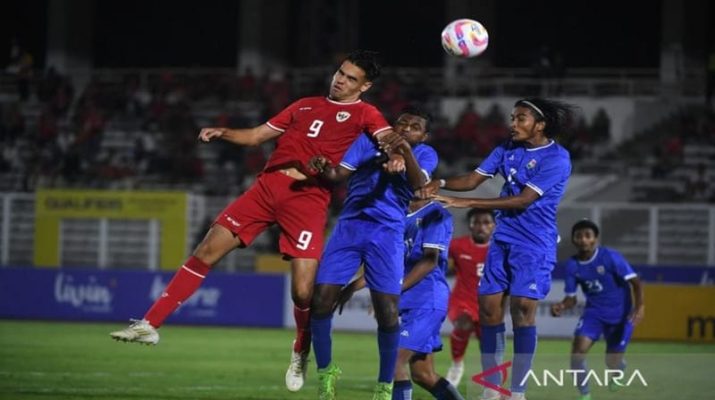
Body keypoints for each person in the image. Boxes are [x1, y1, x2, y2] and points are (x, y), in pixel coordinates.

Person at [109, 50, 402, 393]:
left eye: (351, 78)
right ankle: (150, 323)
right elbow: (256, 135)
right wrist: (224, 132)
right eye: (340, 72)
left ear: (364, 86)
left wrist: (396, 156)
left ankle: (300, 350)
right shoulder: (304, 104)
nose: (340, 79)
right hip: (267, 187)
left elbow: (388, 138)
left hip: (308, 198)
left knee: (303, 291)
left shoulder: (366, 112)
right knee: (206, 251)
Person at [421, 98, 575, 400]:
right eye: (512, 118)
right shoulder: (506, 148)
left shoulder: (557, 158)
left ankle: (517, 392)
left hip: (534, 244)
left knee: (521, 313)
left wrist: (464, 203)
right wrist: (438, 183)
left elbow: (523, 200)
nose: (512, 124)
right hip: (503, 240)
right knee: (489, 312)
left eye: (520, 119)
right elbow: (472, 179)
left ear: (540, 125)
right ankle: (492, 387)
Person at [308, 106, 437, 400]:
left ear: (424, 136)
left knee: (387, 312)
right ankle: (327, 372)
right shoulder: (368, 142)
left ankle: (384, 385)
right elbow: (337, 173)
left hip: (387, 234)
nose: (405, 128)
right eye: (401, 122)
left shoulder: (426, 155)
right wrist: (321, 166)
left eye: (414, 126)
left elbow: (420, 187)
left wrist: (403, 152)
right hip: (350, 227)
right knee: (321, 300)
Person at [336, 199, 464, 400]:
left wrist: (393, 292)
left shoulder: (435, 214)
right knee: (424, 375)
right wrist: (352, 287)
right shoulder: (396, 219)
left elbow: (430, 261)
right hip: (411, 304)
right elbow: (385, 268)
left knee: (393, 360)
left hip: (427, 301)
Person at [551, 220, 645, 400]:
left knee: (611, 361)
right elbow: (571, 298)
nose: (583, 240)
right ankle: (585, 395)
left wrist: (640, 307)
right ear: (573, 239)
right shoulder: (572, 265)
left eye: (588, 235)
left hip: (621, 315)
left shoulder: (610, 257)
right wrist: (562, 306)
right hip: (593, 314)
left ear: (595, 239)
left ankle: (619, 369)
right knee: (577, 352)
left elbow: (636, 283)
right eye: (579, 236)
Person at [445, 208, 496, 387]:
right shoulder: (457, 245)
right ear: (470, 225)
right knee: (463, 324)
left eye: (486, 223)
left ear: (493, 225)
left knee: (488, 344)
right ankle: (457, 365)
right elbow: (443, 262)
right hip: (461, 300)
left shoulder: (499, 249)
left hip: (487, 304)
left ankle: (490, 380)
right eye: (476, 223)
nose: (481, 227)